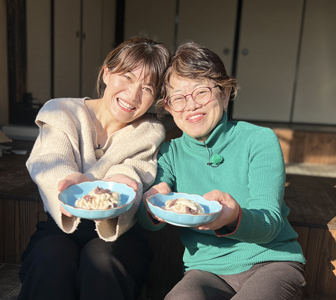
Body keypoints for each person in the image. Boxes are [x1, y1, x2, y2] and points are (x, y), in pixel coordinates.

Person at [137, 42, 306, 300]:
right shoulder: (169, 153)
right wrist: (152, 204)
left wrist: (234, 216)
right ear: (169, 107)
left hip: (271, 262)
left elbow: (270, 222)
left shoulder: (258, 140)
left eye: (201, 92)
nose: (190, 106)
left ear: (225, 94)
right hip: (206, 270)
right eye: (178, 98)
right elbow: (147, 221)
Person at [18, 37, 171, 300]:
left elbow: (136, 169)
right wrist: (68, 182)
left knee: (102, 261)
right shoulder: (61, 110)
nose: (133, 95)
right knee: (50, 259)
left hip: (119, 232)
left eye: (147, 88)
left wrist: (123, 183)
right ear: (107, 73)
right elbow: (51, 159)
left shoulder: (150, 130)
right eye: (127, 77)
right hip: (60, 224)